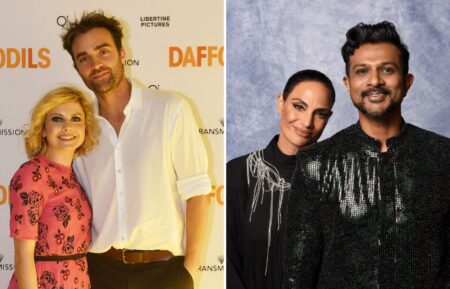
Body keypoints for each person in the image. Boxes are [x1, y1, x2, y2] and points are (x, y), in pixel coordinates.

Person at [282, 21, 450, 289]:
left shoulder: (443, 157)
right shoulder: (315, 164)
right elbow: (297, 275)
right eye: (362, 71)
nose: (375, 81)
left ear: (407, 82)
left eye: (387, 69)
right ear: (348, 84)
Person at [60, 11, 210, 289]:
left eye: (102, 51)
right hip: (100, 272)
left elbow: (198, 193)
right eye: (84, 58)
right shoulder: (78, 127)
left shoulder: (169, 109)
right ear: (78, 68)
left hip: (166, 273)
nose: (96, 64)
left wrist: (190, 273)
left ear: (121, 52)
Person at [227, 69, 335, 289]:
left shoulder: (336, 181)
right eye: (299, 106)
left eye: (320, 113)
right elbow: (228, 263)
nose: (306, 122)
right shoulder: (237, 173)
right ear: (281, 102)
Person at [8, 86, 100, 289]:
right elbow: (23, 254)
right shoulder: (32, 174)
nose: (68, 127)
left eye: (76, 119)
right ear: (43, 129)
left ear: (86, 128)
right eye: (57, 119)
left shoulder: (75, 176)